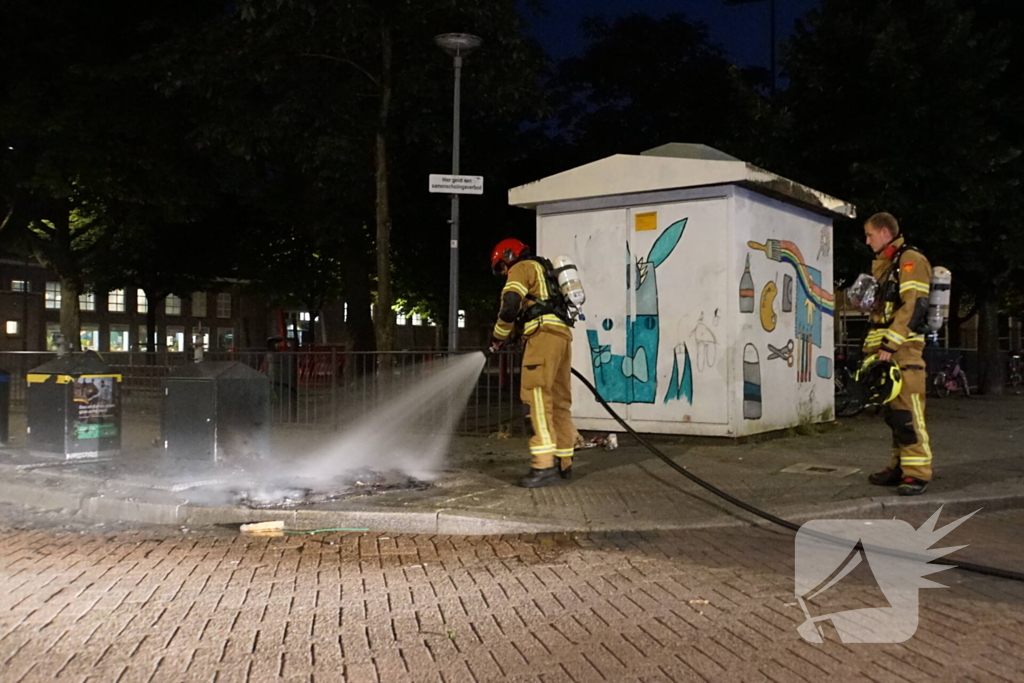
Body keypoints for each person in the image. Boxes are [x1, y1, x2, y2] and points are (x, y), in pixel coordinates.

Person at [489, 238, 575, 488]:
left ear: (508, 255)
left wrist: (497, 337)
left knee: (536, 396)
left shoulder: (522, 268)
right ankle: (563, 461)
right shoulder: (545, 272)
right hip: (562, 336)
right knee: (559, 401)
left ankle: (543, 465)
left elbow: (510, 306)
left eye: (501, 267)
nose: (504, 273)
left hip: (542, 335)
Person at [862, 212, 934, 495]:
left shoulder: (910, 261)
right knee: (894, 416)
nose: (867, 241)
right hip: (888, 352)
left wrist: (890, 344)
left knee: (908, 415)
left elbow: (913, 306)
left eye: (869, 235)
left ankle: (917, 474)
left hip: (904, 352)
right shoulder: (887, 264)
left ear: (884, 232)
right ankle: (900, 467)